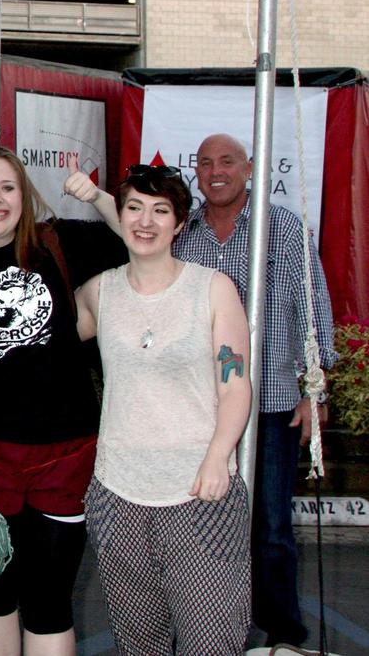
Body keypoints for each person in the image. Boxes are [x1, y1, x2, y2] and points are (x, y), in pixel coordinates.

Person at [0, 146, 126, 656]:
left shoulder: (61, 242)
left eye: (8, 187)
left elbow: (137, 234)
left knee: (49, 601)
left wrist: (100, 199)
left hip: (64, 453)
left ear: (24, 197)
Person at [76, 164, 252, 653]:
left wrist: (219, 455)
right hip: (119, 495)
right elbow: (33, 341)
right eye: (134, 208)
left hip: (200, 492)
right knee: (139, 644)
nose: (145, 221)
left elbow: (235, 386)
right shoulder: (100, 292)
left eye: (160, 211)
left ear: (180, 223)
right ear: (121, 214)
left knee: (211, 641)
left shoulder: (213, 289)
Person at [175, 133, 337, 647]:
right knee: (200, 529)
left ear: (249, 169)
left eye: (228, 161)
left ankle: (282, 633)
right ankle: (210, 631)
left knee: (269, 532)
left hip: (270, 405)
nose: (216, 170)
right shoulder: (183, 235)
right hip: (198, 408)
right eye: (205, 163)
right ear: (194, 173)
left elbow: (312, 308)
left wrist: (316, 389)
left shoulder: (281, 228)